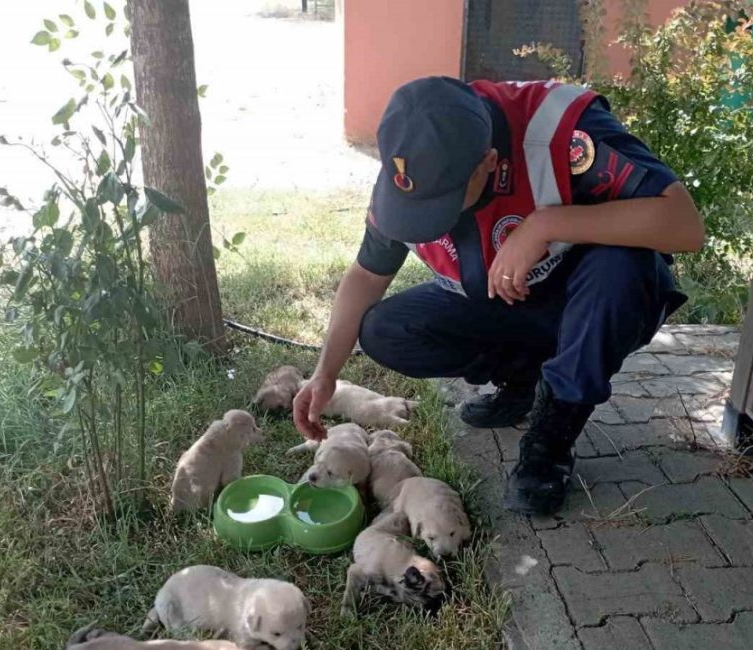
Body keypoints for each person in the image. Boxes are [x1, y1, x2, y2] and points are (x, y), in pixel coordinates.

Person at [292, 76, 704, 515]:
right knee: (384, 330)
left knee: (621, 268)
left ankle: (552, 436)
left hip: (588, 301)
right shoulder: (409, 166)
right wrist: (325, 373)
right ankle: (526, 381)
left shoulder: (561, 130)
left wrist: (547, 225)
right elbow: (367, 276)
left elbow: (684, 226)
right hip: (504, 298)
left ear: (488, 162)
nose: (436, 221)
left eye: (444, 204)